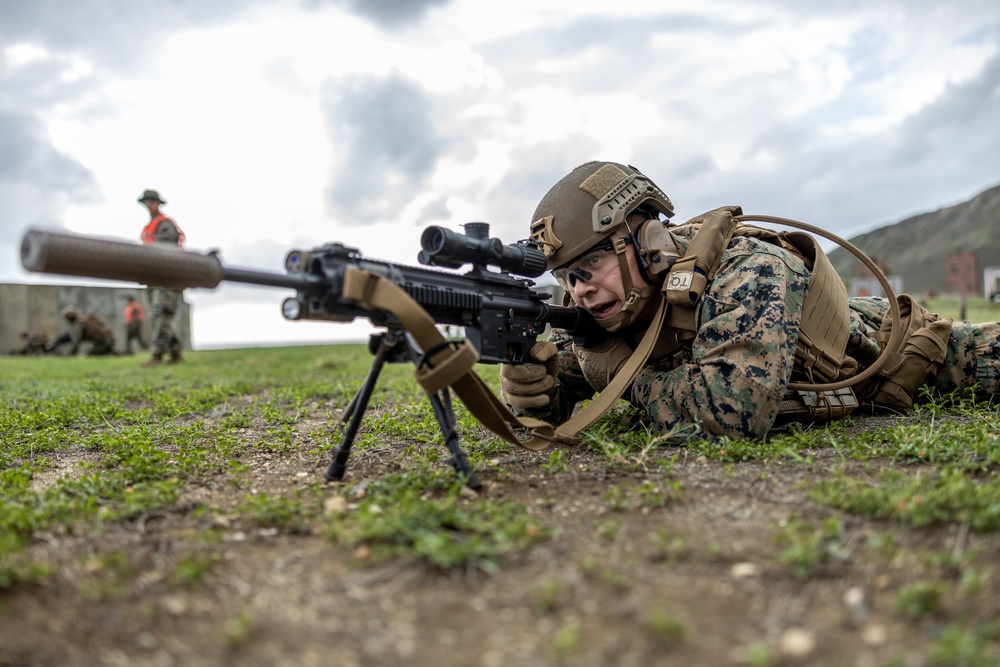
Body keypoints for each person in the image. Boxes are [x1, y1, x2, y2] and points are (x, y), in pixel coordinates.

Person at [499, 161, 1000, 442]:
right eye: (568, 276)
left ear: (648, 242)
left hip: (909, 352)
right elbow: (565, 379)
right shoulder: (606, 308)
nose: (580, 290)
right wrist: (530, 385)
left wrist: (619, 376)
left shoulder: (749, 265)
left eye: (591, 268)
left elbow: (732, 410)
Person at [138, 189, 185, 364]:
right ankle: (175, 351)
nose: (149, 204)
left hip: (167, 277)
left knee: (161, 314)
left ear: (158, 203)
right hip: (153, 277)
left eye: (151, 201)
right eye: (146, 202)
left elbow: (168, 248)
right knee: (157, 316)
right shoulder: (147, 228)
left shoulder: (165, 225)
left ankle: (157, 354)